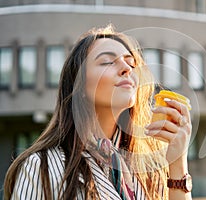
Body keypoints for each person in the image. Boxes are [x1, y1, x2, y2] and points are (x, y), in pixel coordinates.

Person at [4, 24, 192, 200]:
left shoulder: (149, 171)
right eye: (108, 62)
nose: (127, 68)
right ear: (80, 86)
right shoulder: (40, 167)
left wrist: (177, 163)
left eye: (132, 63)